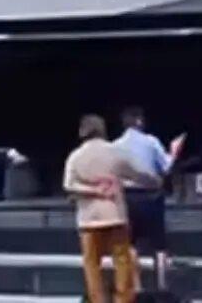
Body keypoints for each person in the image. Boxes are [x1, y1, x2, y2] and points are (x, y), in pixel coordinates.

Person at [64, 113, 159, 303]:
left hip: (89, 220)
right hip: (114, 215)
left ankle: (97, 300)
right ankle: (122, 300)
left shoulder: (75, 156)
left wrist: (92, 191)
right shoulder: (115, 152)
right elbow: (139, 174)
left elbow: (68, 185)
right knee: (122, 261)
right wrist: (155, 181)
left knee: (92, 265)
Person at [112, 106, 185, 257]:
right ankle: (161, 272)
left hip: (126, 198)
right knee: (159, 245)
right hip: (151, 197)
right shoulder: (151, 142)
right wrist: (174, 150)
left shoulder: (115, 146)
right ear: (139, 121)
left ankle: (132, 272)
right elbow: (167, 167)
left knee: (130, 242)